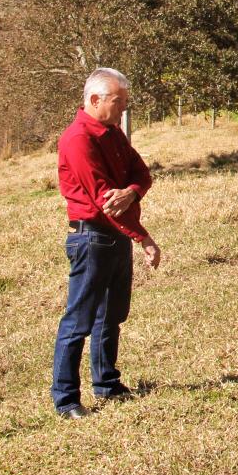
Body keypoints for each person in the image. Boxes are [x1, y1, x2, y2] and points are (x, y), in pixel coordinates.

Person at [51, 68, 162, 419]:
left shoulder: (113, 133)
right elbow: (104, 200)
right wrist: (142, 236)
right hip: (91, 237)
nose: (123, 109)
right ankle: (66, 398)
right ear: (95, 99)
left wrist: (131, 191)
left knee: (111, 315)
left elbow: (141, 174)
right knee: (79, 318)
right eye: (119, 102)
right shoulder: (78, 139)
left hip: (114, 236)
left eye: (125, 102)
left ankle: (107, 383)